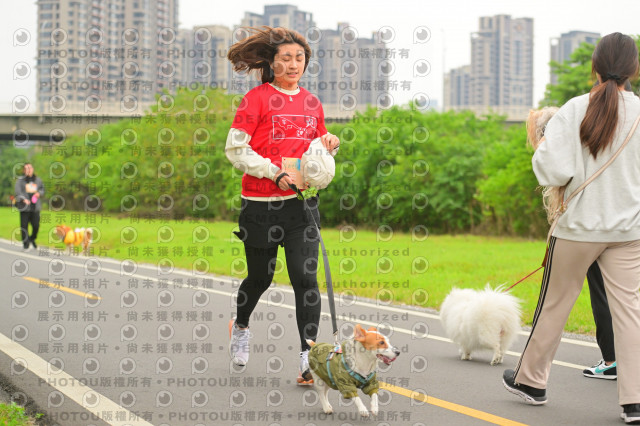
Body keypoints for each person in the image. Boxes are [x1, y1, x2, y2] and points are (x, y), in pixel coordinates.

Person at [502, 33, 640, 424]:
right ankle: (634, 402)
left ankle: (531, 381)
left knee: (555, 304)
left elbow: (552, 171)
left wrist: (546, 143)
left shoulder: (575, 108)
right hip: (629, 232)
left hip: (579, 228)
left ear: (594, 67)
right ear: (634, 70)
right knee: (630, 313)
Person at [224, 26, 340, 384]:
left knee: (305, 278)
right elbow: (236, 150)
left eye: (299, 58)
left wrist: (329, 143)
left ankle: (309, 356)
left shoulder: (312, 103)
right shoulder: (256, 99)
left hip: (301, 206)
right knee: (260, 277)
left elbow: (315, 147)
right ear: (272, 62)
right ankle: (241, 326)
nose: (293, 64)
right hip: (260, 205)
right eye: (286, 58)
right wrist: (274, 173)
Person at [582, 79, 633, 381]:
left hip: (600, 225)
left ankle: (612, 360)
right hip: (632, 226)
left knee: (602, 293)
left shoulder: (593, 117)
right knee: (628, 299)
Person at [15, 163, 44, 250]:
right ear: (24, 170)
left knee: (36, 225)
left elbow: (42, 189)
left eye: (30, 168)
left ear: (33, 169)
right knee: (24, 226)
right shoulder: (20, 180)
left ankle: (32, 238)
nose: (28, 170)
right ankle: (26, 244)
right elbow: (18, 191)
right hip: (25, 207)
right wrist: (23, 199)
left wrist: (39, 193)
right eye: (26, 168)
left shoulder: (38, 180)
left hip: (35, 207)